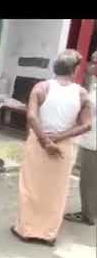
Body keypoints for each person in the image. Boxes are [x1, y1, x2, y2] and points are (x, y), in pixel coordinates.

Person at [11, 49, 92, 246]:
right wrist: (58, 138)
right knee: (56, 191)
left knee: (31, 187)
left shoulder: (41, 87)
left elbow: (31, 116)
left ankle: (26, 230)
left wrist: (45, 141)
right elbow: (86, 124)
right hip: (62, 147)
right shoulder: (81, 93)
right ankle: (48, 234)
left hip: (39, 142)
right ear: (74, 71)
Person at [64, 52, 96, 226]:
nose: (90, 64)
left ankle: (88, 215)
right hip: (89, 139)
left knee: (89, 181)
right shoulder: (94, 84)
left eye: (93, 61)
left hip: (94, 143)